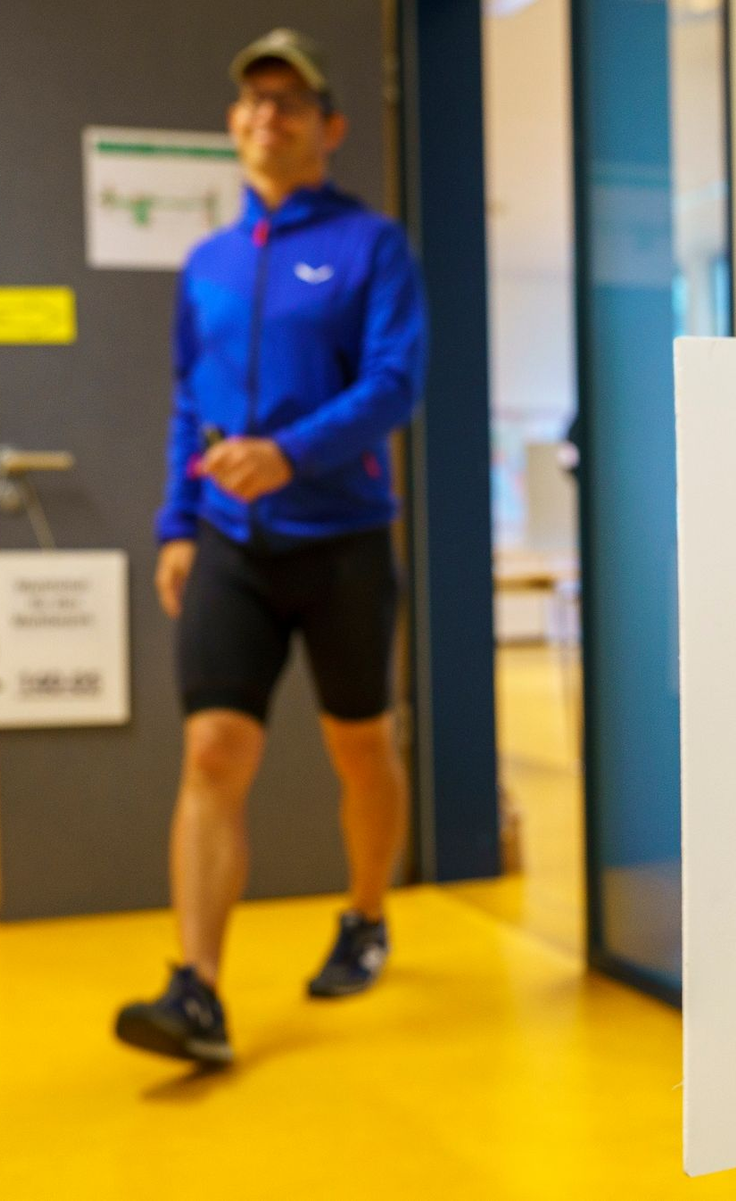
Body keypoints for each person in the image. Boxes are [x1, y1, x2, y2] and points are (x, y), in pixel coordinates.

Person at [114, 28, 427, 1066]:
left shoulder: (371, 244)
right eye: (251, 102)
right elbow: (183, 406)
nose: (266, 117)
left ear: (328, 126)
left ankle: (368, 911)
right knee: (212, 751)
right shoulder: (205, 263)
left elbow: (394, 383)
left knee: (359, 746)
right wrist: (174, 523)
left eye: (289, 102)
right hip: (227, 544)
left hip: (340, 541)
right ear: (232, 125)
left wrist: (289, 455)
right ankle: (197, 988)